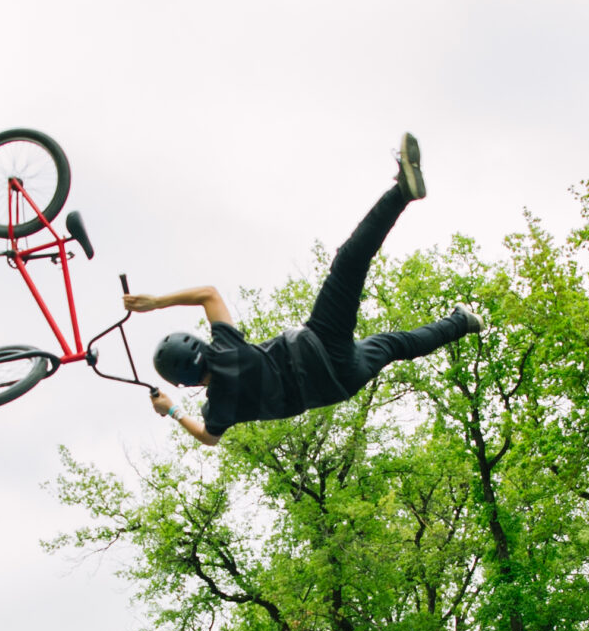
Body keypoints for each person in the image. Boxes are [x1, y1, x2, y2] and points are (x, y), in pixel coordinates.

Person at [130, 134, 480, 445]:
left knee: (395, 345)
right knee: (349, 262)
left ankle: (463, 322)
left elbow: (209, 438)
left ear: (184, 381)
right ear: (201, 346)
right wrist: (156, 302)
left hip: (341, 384)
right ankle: (401, 192)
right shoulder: (224, 352)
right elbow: (208, 294)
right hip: (320, 346)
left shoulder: (219, 407)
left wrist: (173, 411)